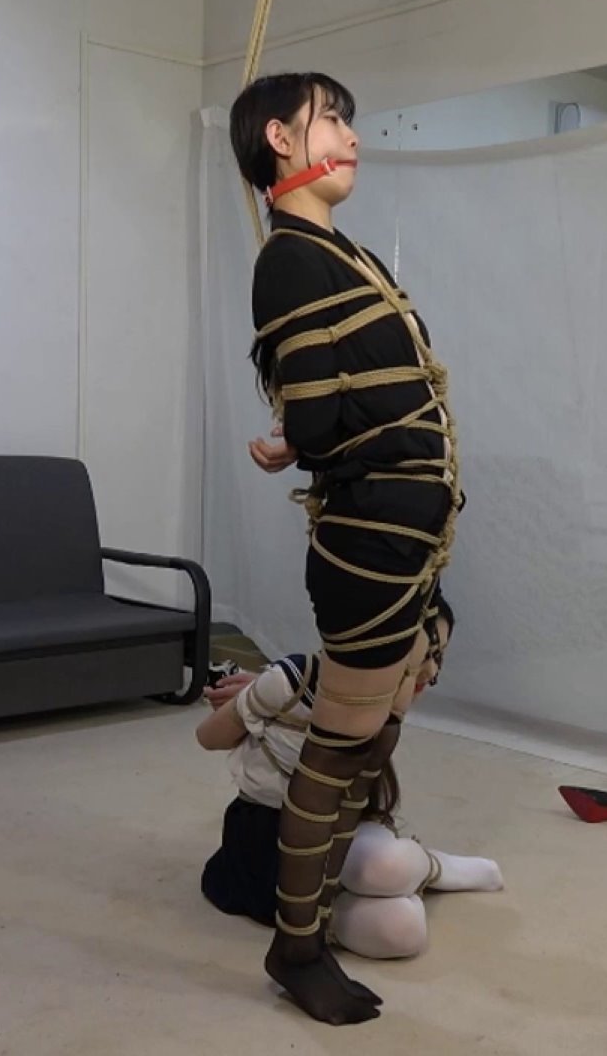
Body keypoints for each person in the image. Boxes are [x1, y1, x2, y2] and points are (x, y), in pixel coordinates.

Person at [231, 70, 465, 1024]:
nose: (353, 136)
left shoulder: (334, 251)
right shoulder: (290, 259)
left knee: (377, 729)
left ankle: (326, 904)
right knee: (339, 745)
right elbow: (324, 424)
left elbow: (332, 406)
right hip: (369, 538)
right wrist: (300, 434)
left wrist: (300, 432)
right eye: (332, 118)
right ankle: (295, 949)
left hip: (405, 533)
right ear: (280, 139)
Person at [195, 605, 502, 961]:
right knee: (403, 932)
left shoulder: (388, 700)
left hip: (348, 831)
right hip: (270, 841)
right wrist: (255, 698)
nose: (430, 671)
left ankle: (431, 867)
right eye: (421, 654)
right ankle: (406, 878)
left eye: (439, 657)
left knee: (389, 867)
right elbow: (208, 737)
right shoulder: (292, 682)